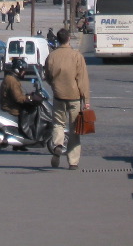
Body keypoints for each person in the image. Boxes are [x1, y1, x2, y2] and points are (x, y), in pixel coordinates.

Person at [44, 28, 91, 170]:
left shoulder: (52, 56)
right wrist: (86, 100)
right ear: (69, 39)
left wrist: (54, 85)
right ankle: (73, 162)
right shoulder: (76, 56)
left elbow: (47, 76)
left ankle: (58, 144)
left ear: (57, 39)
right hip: (74, 97)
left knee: (58, 124)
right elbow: (82, 80)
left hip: (59, 95)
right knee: (74, 129)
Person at [0, 58, 35, 150]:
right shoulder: (12, 81)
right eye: (23, 70)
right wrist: (29, 98)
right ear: (17, 70)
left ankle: (18, 143)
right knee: (27, 117)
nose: (24, 72)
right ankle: (20, 141)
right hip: (10, 108)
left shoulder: (12, 78)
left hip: (10, 104)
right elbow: (18, 98)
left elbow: (18, 94)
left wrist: (28, 95)